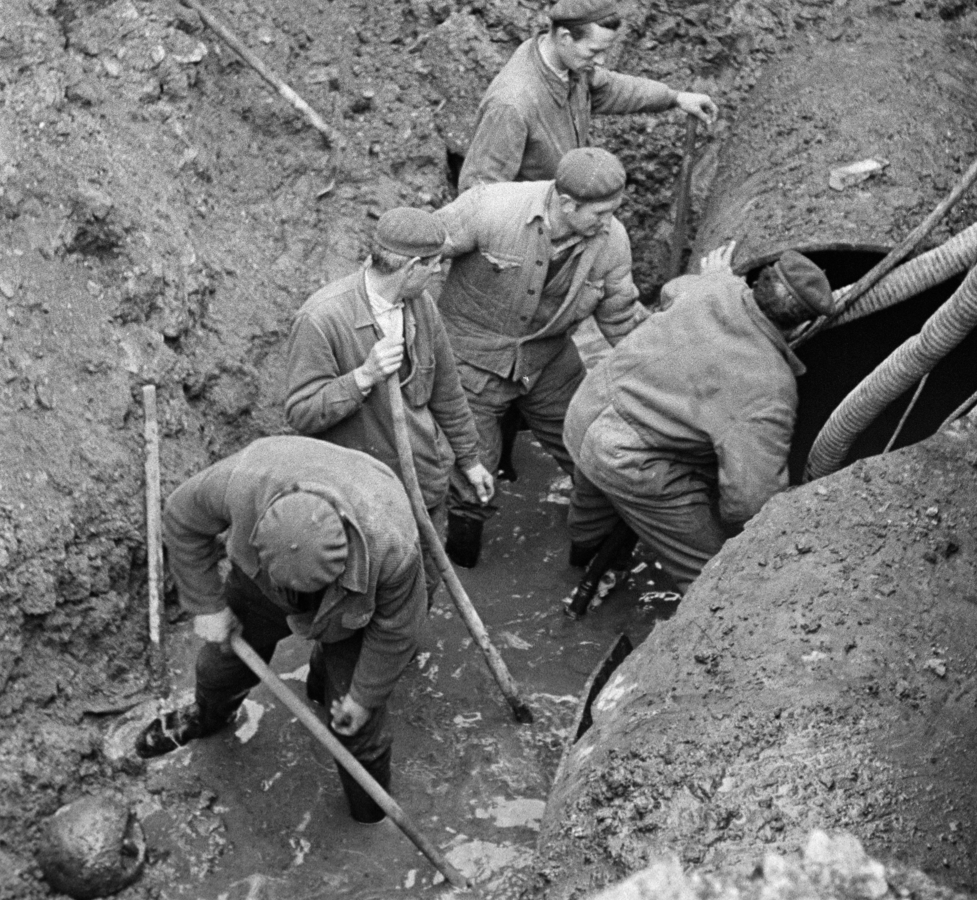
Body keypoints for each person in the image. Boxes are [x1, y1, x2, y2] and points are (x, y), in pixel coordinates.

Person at [136, 436, 425, 825]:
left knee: (359, 732)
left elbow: (397, 630)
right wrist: (208, 605)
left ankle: (371, 816)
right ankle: (207, 717)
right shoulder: (246, 478)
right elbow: (181, 516)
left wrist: (363, 696)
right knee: (217, 670)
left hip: (352, 613)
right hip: (260, 589)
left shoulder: (392, 542)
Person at [564, 243, 835, 592]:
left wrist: (719, 281)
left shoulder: (715, 285)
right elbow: (749, 503)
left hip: (587, 408)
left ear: (759, 282)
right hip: (628, 458)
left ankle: (578, 568)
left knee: (591, 515)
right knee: (716, 577)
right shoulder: (769, 387)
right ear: (802, 328)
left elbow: (670, 291)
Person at [435, 145, 647, 568]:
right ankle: (463, 563)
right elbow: (416, 253)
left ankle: (593, 560)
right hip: (471, 361)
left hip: (548, 360)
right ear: (567, 204)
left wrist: (661, 366)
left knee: (593, 448)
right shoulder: (490, 208)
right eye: (600, 213)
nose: (609, 223)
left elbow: (621, 316)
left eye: (613, 211)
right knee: (471, 474)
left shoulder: (611, 242)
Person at [283, 207, 495, 587]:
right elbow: (300, 413)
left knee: (425, 583)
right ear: (412, 266)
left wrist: (470, 459)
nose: (439, 274)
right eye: (435, 266)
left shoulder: (421, 305)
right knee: (365, 597)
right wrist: (363, 377)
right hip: (359, 499)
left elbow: (446, 390)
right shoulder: (322, 319)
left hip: (422, 484)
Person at [458, 0, 717, 190]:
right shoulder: (513, 104)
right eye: (594, 51)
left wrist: (676, 98)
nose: (601, 61)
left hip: (564, 206)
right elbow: (480, 191)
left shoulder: (570, 66)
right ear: (565, 37)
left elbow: (615, 89)